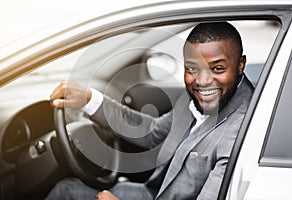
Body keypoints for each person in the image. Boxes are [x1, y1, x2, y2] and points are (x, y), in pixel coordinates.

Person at [46, 22, 254, 200]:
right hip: (154, 193)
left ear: (240, 65)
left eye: (217, 68)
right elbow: (151, 131)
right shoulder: (197, 95)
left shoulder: (241, 131)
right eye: (192, 68)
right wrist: (90, 100)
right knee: (65, 190)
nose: (202, 81)